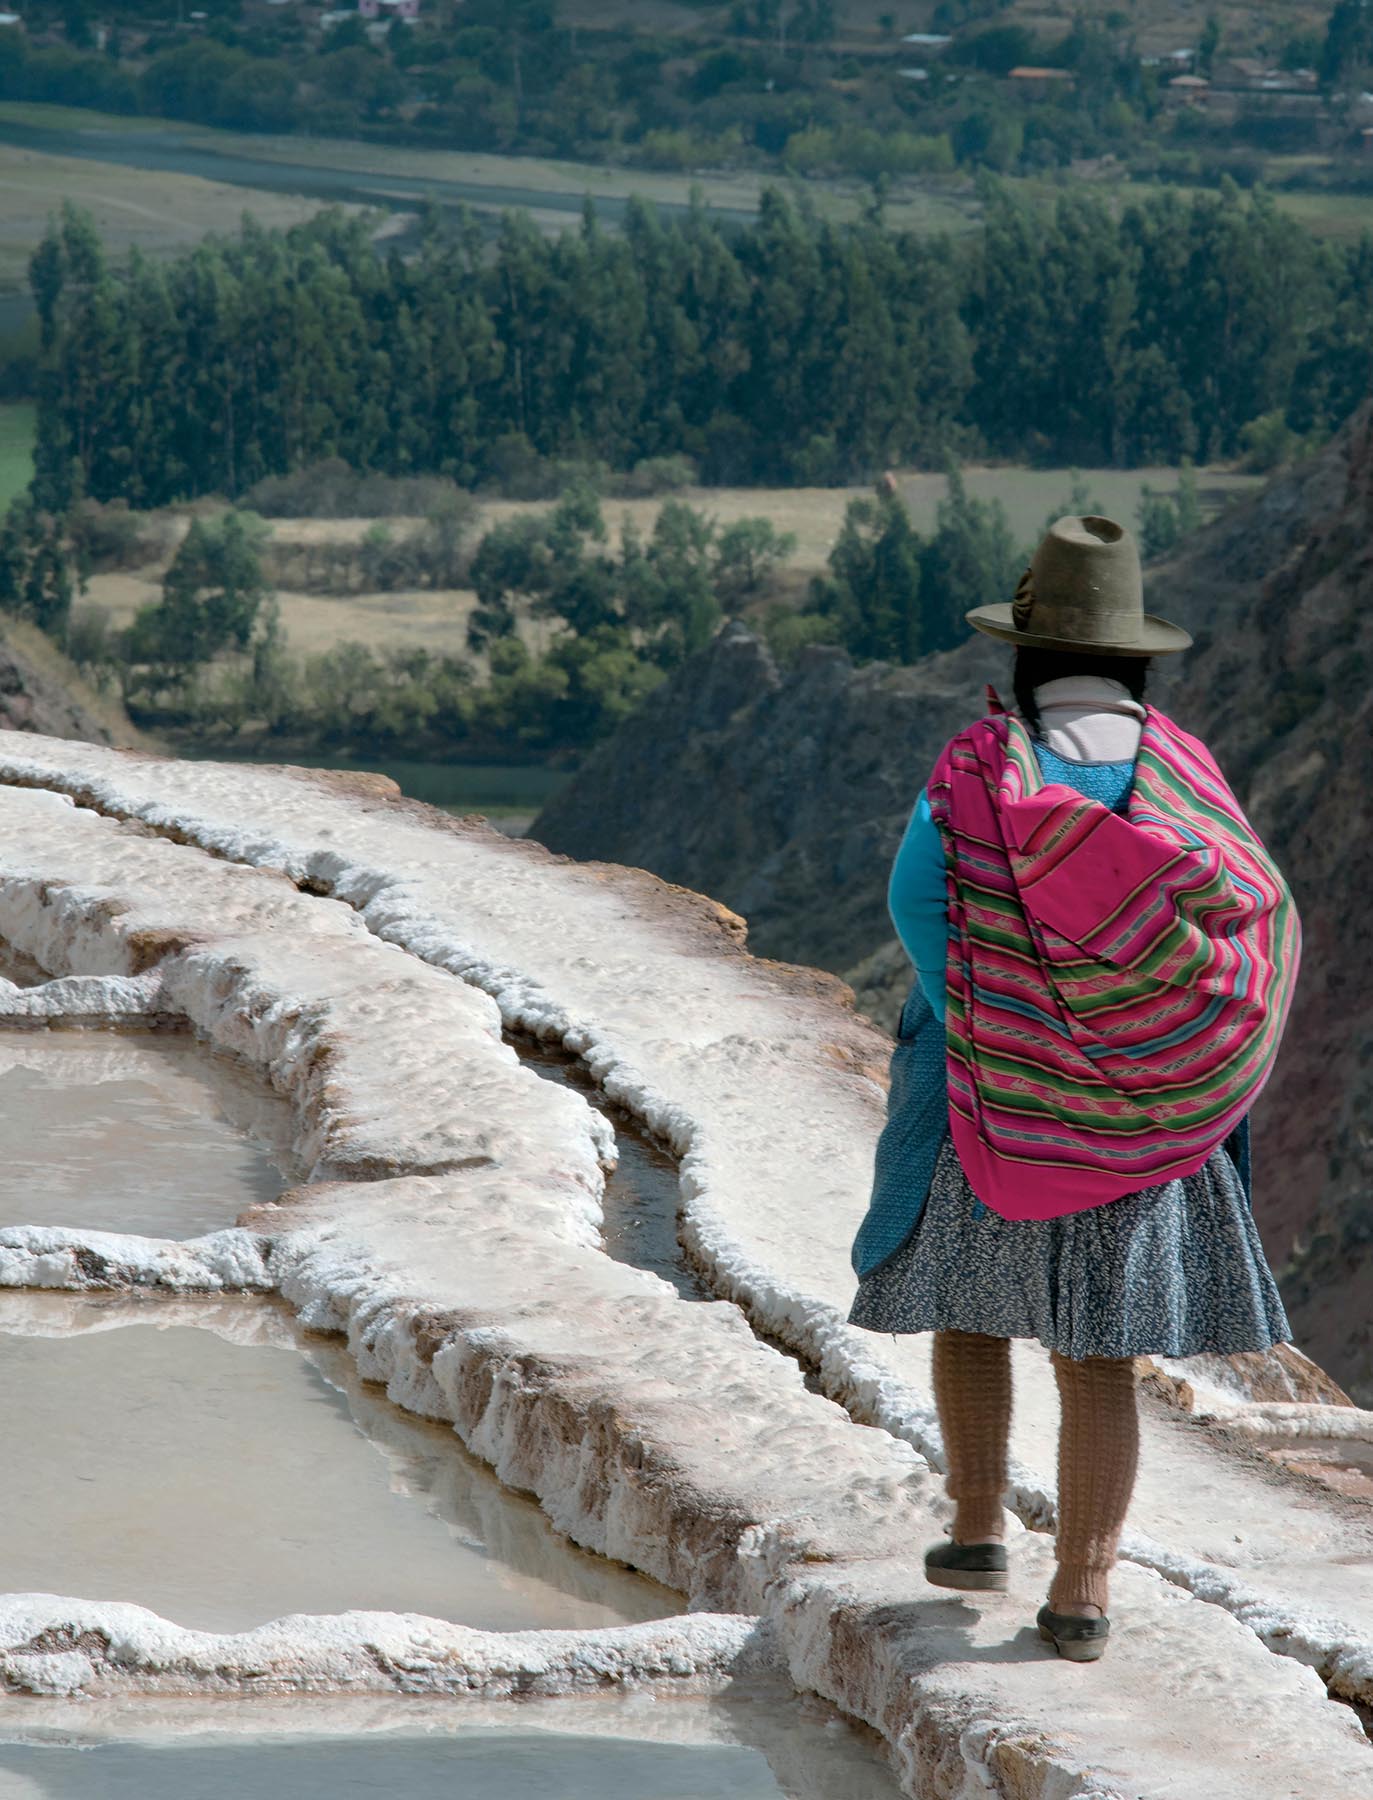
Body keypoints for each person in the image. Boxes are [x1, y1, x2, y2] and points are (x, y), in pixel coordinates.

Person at [847, 514, 1301, 1664]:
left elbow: (913, 905)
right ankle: (1081, 1592)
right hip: (1135, 1121)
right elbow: (1250, 922)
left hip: (984, 1103)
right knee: (1095, 1352)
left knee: (967, 1309)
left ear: (1025, 652)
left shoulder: (983, 772)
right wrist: (1127, 1051)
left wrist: (998, 1029)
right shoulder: (1181, 774)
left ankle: (968, 1532)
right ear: (1135, 658)